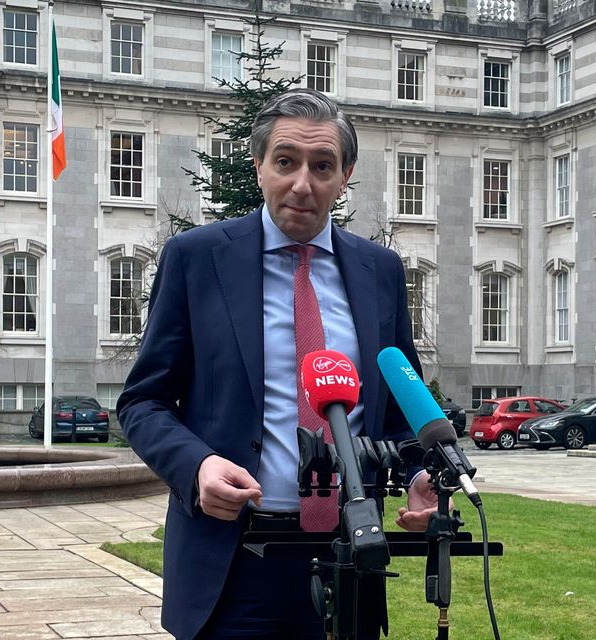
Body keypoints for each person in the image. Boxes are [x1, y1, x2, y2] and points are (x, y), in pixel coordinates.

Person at [117, 88, 438, 640]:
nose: (302, 184)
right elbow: (143, 401)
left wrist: (418, 473)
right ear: (258, 164)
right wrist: (196, 468)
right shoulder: (197, 258)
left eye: (323, 166)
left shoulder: (380, 270)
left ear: (346, 175)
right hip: (233, 559)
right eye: (285, 161)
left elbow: (398, 408)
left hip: (349, 553)